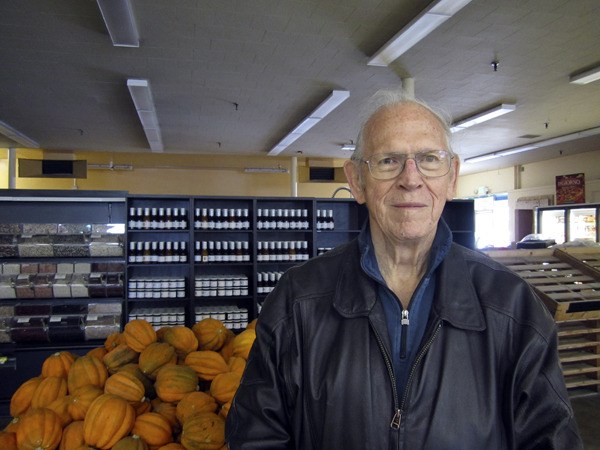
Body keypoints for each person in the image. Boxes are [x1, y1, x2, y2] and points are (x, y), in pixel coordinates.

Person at [225, 89, 583, 449]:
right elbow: (257, 436)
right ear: (356, 181)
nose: (410, 178)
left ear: (452, 176)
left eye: (429, 159)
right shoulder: (297, 300)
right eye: (387, 161)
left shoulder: (511, 305)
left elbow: (550, 439)